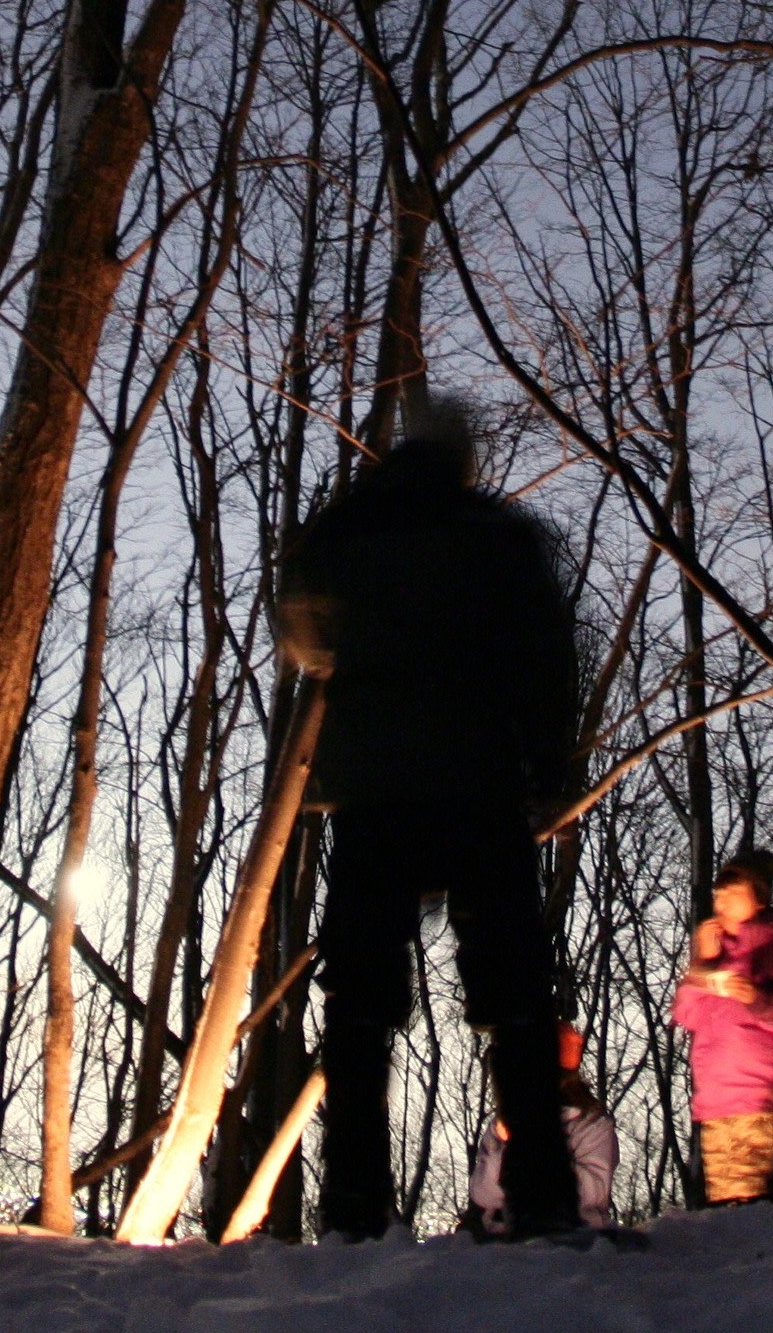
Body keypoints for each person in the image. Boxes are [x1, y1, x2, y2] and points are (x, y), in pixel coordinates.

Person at [279, 398, 586, 1242]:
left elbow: (301, 632)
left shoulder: (344, 529)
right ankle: (546, 1200)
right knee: (515, 995)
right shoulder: (499, 535)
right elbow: (545, 659)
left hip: (374, 789)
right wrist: (553, 770)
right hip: (480, 783)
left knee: (360, 1001)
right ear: (465, 460)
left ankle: (350, 1206)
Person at [670, 847, 773, 1204]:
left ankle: (753, 1256)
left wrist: (757, 999)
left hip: (758, 1095)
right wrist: (703, 966)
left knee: (742, 1197)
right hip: (715, 1100)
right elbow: (685, 1016)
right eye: (718, 896)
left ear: (758, 900)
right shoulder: (717, 955)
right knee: (725, 1199)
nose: (721, 905)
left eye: (733, 895)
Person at [466, 1022, 618, 1235]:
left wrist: (534, 1154)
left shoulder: (592, 1125)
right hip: (505, 1241)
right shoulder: (504, 1123)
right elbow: (482, 1193)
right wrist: (507, 1149)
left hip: (572, 1241)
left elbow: (593, 1191)